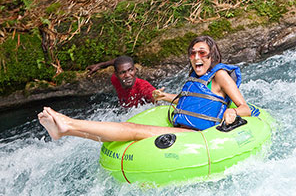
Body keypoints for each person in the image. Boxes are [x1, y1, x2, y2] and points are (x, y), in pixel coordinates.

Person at [38, 36, 251, 142]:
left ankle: (68, 124)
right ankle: (67, 131)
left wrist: (232, 111)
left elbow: (244, 108)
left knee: (132, 129)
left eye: (202, 53)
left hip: (198, 137)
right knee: (131, 131)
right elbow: (196, 103)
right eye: (192, 53)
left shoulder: (220, 76)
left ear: (212, 55)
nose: (196, 57)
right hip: (185, 129)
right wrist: (167, 97)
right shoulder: (195, 77)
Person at [87, 56, 155, 108]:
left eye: (130, 70)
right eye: (123, 72)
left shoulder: (143, 86)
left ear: (135, 70)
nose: (127, 75)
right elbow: (118, 61)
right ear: (116, 74)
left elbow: (154, 95)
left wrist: (157, 95)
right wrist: (100, 65)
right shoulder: (115, 80)